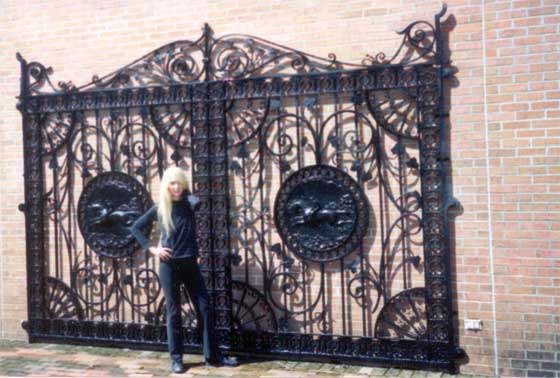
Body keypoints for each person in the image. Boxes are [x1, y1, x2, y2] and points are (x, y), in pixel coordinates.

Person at [129, 166, 237, 373]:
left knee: (204, 307)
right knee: (174, 312)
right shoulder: (161, 208)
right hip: (169, 265)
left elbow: (199, 203)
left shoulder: (189, 203)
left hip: (190, 264)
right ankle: (176, 358)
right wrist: (152, 249)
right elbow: (135, 227)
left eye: (179, 182)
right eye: (172, 183)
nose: (176, 187)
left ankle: (212, 357)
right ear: (166, 186)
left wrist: (187, 194)